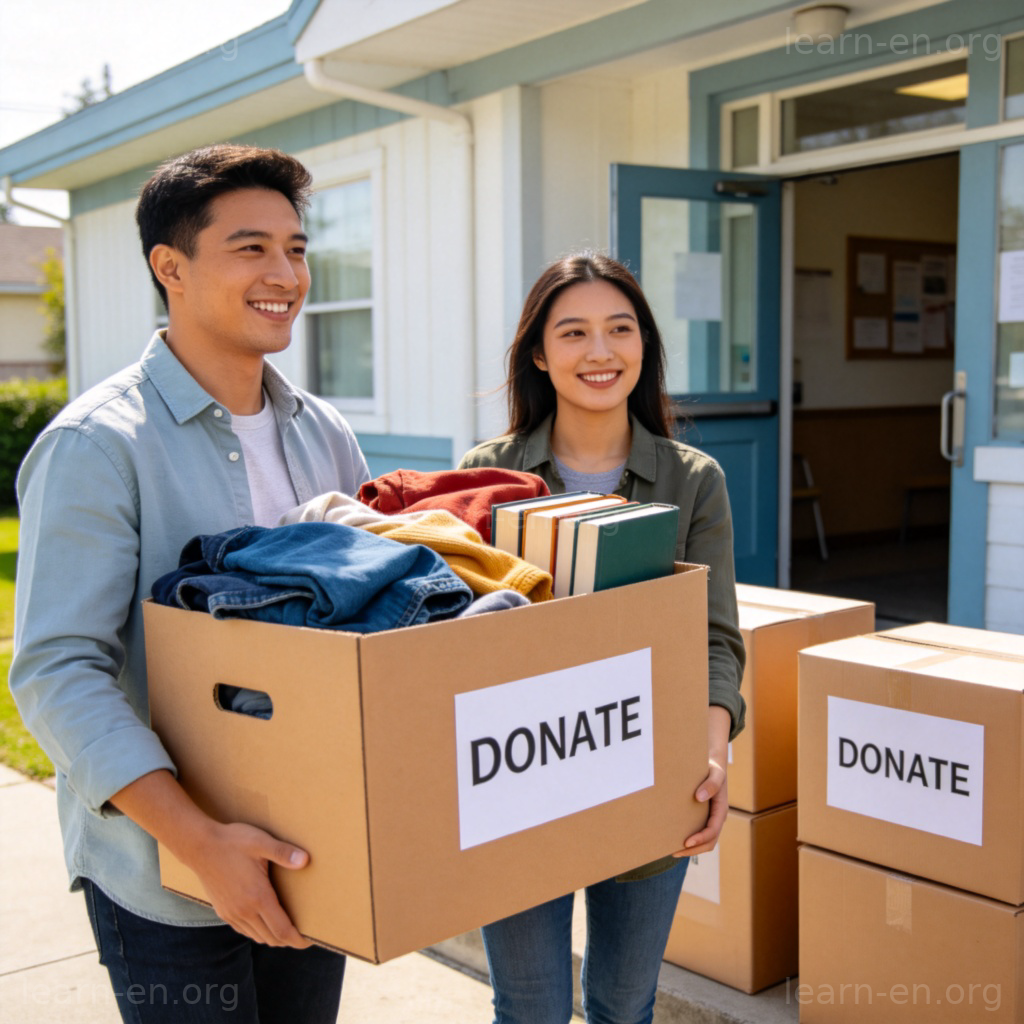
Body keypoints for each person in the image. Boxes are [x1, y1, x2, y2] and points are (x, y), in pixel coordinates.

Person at [11, 144, 371, 1023]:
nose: (284, 273)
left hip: (308, 853)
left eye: (295, 247)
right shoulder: (99, 445)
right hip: (167, 877)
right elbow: (57, 671)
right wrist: (203, 844)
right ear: (169, 267)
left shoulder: (323, 432)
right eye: (251, 248)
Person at [459, 251, 746, 1024]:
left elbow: (717, 640)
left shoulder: (693, 479)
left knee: (624, 1006)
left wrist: (713, 750)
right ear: (539, 354)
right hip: (520, 779)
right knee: (531, 1010)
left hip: (648, 772)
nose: (599, 352)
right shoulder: (485, 476)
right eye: (574, 332)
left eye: (620, 329)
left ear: (644, 345)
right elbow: (453, 645)